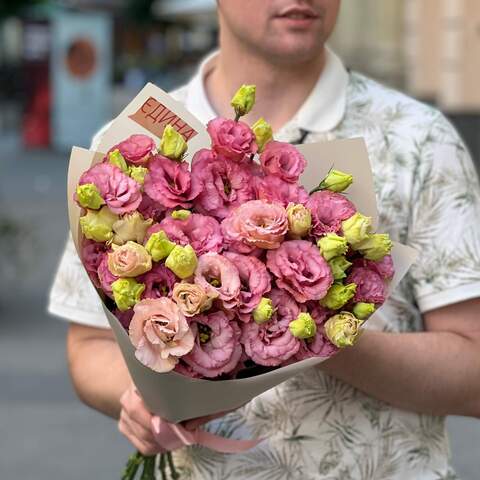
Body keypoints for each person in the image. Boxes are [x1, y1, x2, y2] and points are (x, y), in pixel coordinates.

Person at [49, 1, 480, 478]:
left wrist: (322, 332)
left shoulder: (417, 139)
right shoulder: (136, 139)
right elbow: (88, 343)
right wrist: (136, 401)